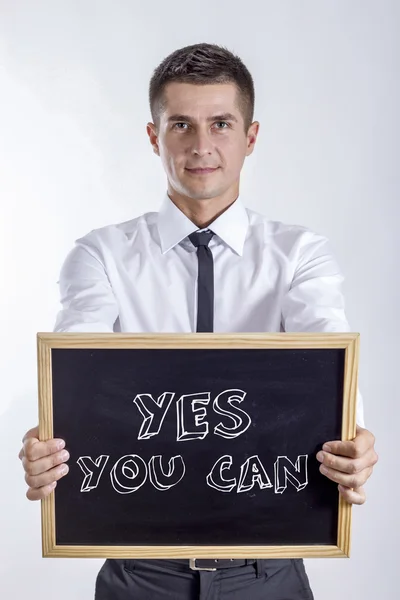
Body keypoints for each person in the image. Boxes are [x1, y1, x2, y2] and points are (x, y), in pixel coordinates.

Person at [18, 42, 378, 600]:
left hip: (268, 573)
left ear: (251, 137)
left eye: (221, 124)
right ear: (153, 136)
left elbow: (328, 356)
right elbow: (75, 372)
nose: (201, 145)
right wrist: (50, 439)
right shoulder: (101, 256)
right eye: (181, 124)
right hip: (141, 575)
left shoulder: (300, 255)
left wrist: (355, 439)